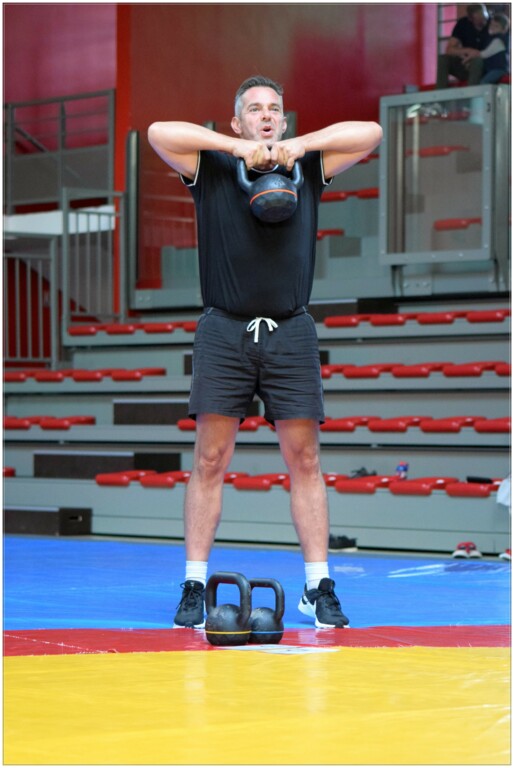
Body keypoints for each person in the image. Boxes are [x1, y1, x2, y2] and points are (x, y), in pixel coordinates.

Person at [148, 75, 382, 630]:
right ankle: (194, 584)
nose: (266, 115)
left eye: (274, 108)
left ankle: (317, 587)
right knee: (210, 459)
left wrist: (298, 146)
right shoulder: (210, 166)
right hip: (223, 329)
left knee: (305, 459)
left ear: (285, 119)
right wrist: (236, 150)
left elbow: (371, 132)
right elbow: (157, 132)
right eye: (254, 110)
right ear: (238, 121)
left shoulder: (309, 165)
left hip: (290, 331)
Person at [436, 4, 491, 88]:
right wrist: (468, 51)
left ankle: (471, 93)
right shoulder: (463, 24)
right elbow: (450, 50)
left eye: (484, 18)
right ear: (470, 19)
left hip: (485, 64)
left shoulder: (493, 24)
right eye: (479, 20)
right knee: (442, 59)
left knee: (477, 61)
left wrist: (476, 54)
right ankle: (440, 92)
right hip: (465, 63)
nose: (483, 22)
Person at [479, 13, 510, 84]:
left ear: (504, 30)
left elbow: (484, 54)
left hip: (499, 69)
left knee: (484, 82)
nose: (492, 27)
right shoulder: (491, 38)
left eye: (496, 26)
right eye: (491, 24)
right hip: (492, 69)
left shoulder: (499, 40)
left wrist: (472, 54)